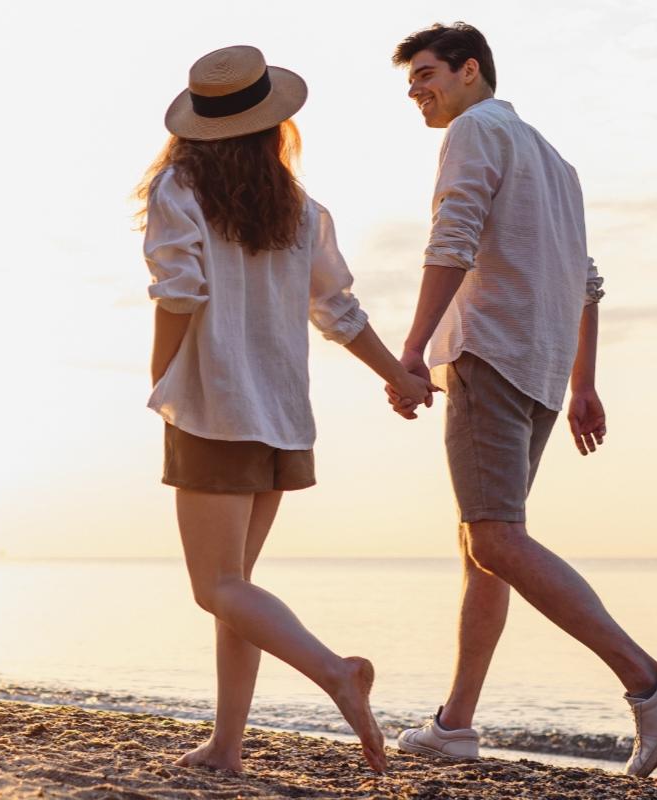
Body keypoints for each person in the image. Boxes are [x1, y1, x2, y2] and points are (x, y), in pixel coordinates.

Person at [380, 23, 657, 778]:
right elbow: (586, 280)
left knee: (491, 539)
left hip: (492, 356)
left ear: (470, 71)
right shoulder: (556, 162)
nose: (416, 92)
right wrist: (582, 381)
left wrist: (414, 347)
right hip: (540, 369)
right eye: (409, 83)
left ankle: (649, 682)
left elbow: (451, 239)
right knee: (483, 549)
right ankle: (456, 724)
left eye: (426, 74)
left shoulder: (473, 131)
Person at [140, 44, 433, 775]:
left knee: (219, 588)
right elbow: (337, 310)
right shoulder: (300, 209)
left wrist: (160, 373)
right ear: (273, 127)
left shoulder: (180, 187)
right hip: (281, 418)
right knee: (237, 588)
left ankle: (338, 672)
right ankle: (228, 746)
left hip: (215, 407)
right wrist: (395, 372)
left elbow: (178, 291)